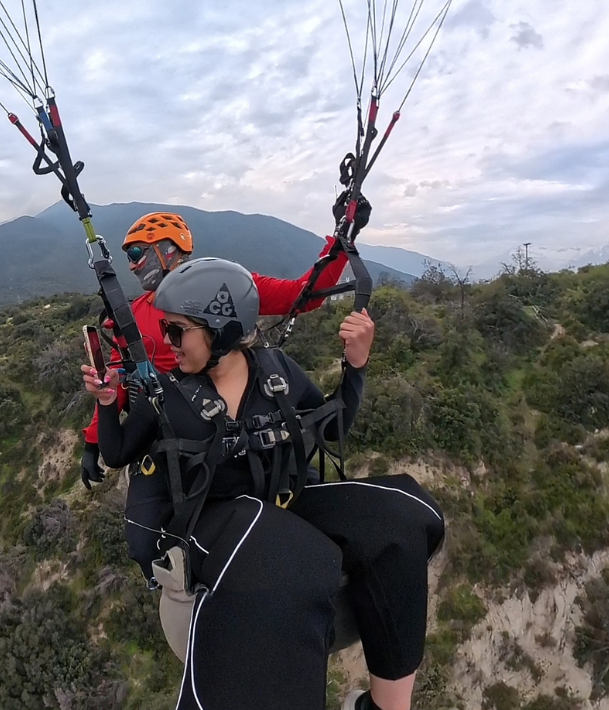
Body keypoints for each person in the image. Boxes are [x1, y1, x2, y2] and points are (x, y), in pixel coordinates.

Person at [83, 258, 444, 710]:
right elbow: (117, 454)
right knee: (278, 540)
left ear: (220, 331)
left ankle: (386, 706)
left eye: (177, 331)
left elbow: (329, 428)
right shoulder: (167, 394)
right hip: (208, 522)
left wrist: (356, 366)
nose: (168, 342)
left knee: (402, 512)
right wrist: (104, 403)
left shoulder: (276, 373)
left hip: (281, 503)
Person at [82, 198, 368, 586]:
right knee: (144, 538)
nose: (132, 264)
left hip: (241, 411)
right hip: (172, 425)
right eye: (128, 256)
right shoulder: (133, 315)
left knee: (297, 488)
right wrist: (95, 440)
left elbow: (304, 294)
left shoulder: (226, 290)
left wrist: (341, 239)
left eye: (137, 252)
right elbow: (118, 380)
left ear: (167, 251)